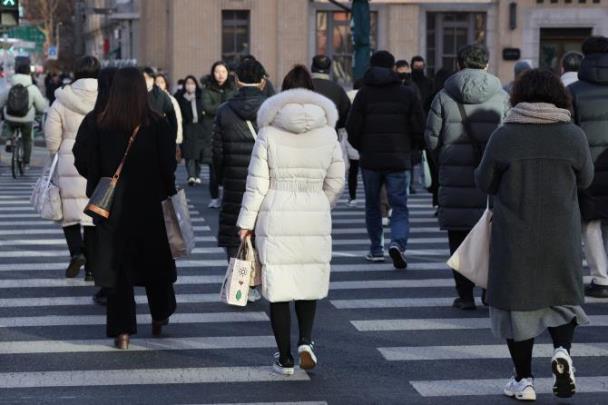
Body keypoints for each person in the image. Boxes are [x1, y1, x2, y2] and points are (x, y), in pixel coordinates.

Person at [476, 69, 593, 401]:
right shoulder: (573, 135)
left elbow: (484, 181)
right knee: (562, 299)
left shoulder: (505, 135)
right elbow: (586, 180)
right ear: (560, 96)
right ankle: (562, 353)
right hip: (562, 232)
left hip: (516, 234)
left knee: (518, 307)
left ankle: (523, 380)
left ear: (518, 96)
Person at [237, 65, 345, 375]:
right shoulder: (327, 132)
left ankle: (284, 358)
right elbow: (337, 178)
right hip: (313, 211)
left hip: (277, 210)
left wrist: (245, 223)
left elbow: (256, 183)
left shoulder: (268, 132)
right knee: (308, 280)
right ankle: (306, 341)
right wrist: (320, 201)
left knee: (279, 285)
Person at [81, 67, 177, 349]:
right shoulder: (158, 124)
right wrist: (167, 191)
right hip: (149, 206)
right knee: (155, 264)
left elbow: (91, 166)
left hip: (111, 210)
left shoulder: (100, 124)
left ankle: (122, 332)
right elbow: (167, 167)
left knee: (117, 270)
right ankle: (160, 315)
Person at [425, 44, 510, 310]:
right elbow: (509, 135)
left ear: (459, 64)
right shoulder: (502, 96)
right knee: (492, 235)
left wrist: (445, 160)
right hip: (493, 178)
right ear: (486, 64)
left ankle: (464, 295)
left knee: (459, 236)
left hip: (455, 174)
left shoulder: (443, 96)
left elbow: (431, 139)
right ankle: (489, 291)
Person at [346, 50, 425, 269]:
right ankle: (397, 244)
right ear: (392, 68)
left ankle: (376, 249)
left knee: (372, 205)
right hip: (399, 158)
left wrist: (362, 147)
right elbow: (419, 127)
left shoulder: (363, 94)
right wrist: (412, 148)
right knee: (399, 205)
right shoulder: (406, 93)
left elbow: (352, 127)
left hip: (370, 159)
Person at [213, 58, 268, 303]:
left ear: (236, 80)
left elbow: (217, 153)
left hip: (235, 179)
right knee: (261, 231)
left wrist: (222, 175)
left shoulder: (224, 110)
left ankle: (240, 286)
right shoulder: (271, 109)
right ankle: (258, 285)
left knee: (236, 232)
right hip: (265, 181)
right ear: (263, 81)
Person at [44, 56, 100, 281]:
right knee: (94, 214)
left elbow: (51, 135)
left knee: (69, 214)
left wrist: (56, 151)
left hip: (69, 157)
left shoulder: (62, 98)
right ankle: (92, 269)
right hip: (98, 158)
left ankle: (76, 252)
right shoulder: (105, 96)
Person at [74, 66, 118, 306]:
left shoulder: (95, 118)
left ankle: (106, 286)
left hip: (103, 192)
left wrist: (94, 177)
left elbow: (79, 154)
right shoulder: (142, 117)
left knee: (104, 238)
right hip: (138, 193)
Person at [569, 36, 608, 298]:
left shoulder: (574, 91)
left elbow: (569, 132)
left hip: (588, 167)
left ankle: (601, 278)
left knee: (590, 223)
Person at [0, 58, 48, 169]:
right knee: (27, 139)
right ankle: (26, 162)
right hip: (27, 119)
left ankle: (8, 139)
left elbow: (1, 101)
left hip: (11, 116)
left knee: (9, 124)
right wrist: (39, 112)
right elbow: (41, 106)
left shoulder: (10, 86)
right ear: (29, 73)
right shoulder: (32, 88)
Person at [201, 61, 237, 207]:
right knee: (213, 167)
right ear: (212, 73)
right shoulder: (207, 89)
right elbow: (207, 108)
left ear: (228, 73)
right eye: (217, 71)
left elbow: (235, 104)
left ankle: (227, 196)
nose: (220, 74)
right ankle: (214, 197)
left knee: (230, 167)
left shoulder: (233, 88)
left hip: (230, 131)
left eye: (223, 71)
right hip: (212, 131)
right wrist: (225, 107)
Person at [179, 76, 208, 187]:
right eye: (188, 83)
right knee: (189, 154)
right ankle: (191, 175)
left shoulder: (200, 97)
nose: (190, 85)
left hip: (199, 128)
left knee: (198, 154)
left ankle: (197, 175)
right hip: (187, 128)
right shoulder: (181, 98)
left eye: (192, 83)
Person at [310, 55, 351, 130]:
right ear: (329, 69)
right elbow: (346, 115)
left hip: (306, 134)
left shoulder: (304, 86)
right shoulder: (338, 89)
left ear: (312, 67)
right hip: (330, 135)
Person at [142, 67, 177, 137]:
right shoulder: (136, 94)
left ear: (153, 80)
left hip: (157, 134)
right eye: (145, 78)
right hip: (140, 134)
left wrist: (172, 136)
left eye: (150, 78)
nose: (147, 81)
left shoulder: (161, 95)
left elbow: (172, 116)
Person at [345, 80, 362, 207]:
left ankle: (353, 196)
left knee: (353, 171)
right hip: (366, 137)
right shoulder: (367, 95)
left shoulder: (348, 95)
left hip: (350, 135)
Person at [155, 73, 184, 147]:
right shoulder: (149, 99)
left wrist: (177, 140)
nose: (159, 84)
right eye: (157, 82)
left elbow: (177, 119)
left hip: (168, 136)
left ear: (166, 84)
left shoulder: (171, 100)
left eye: (162, 82)